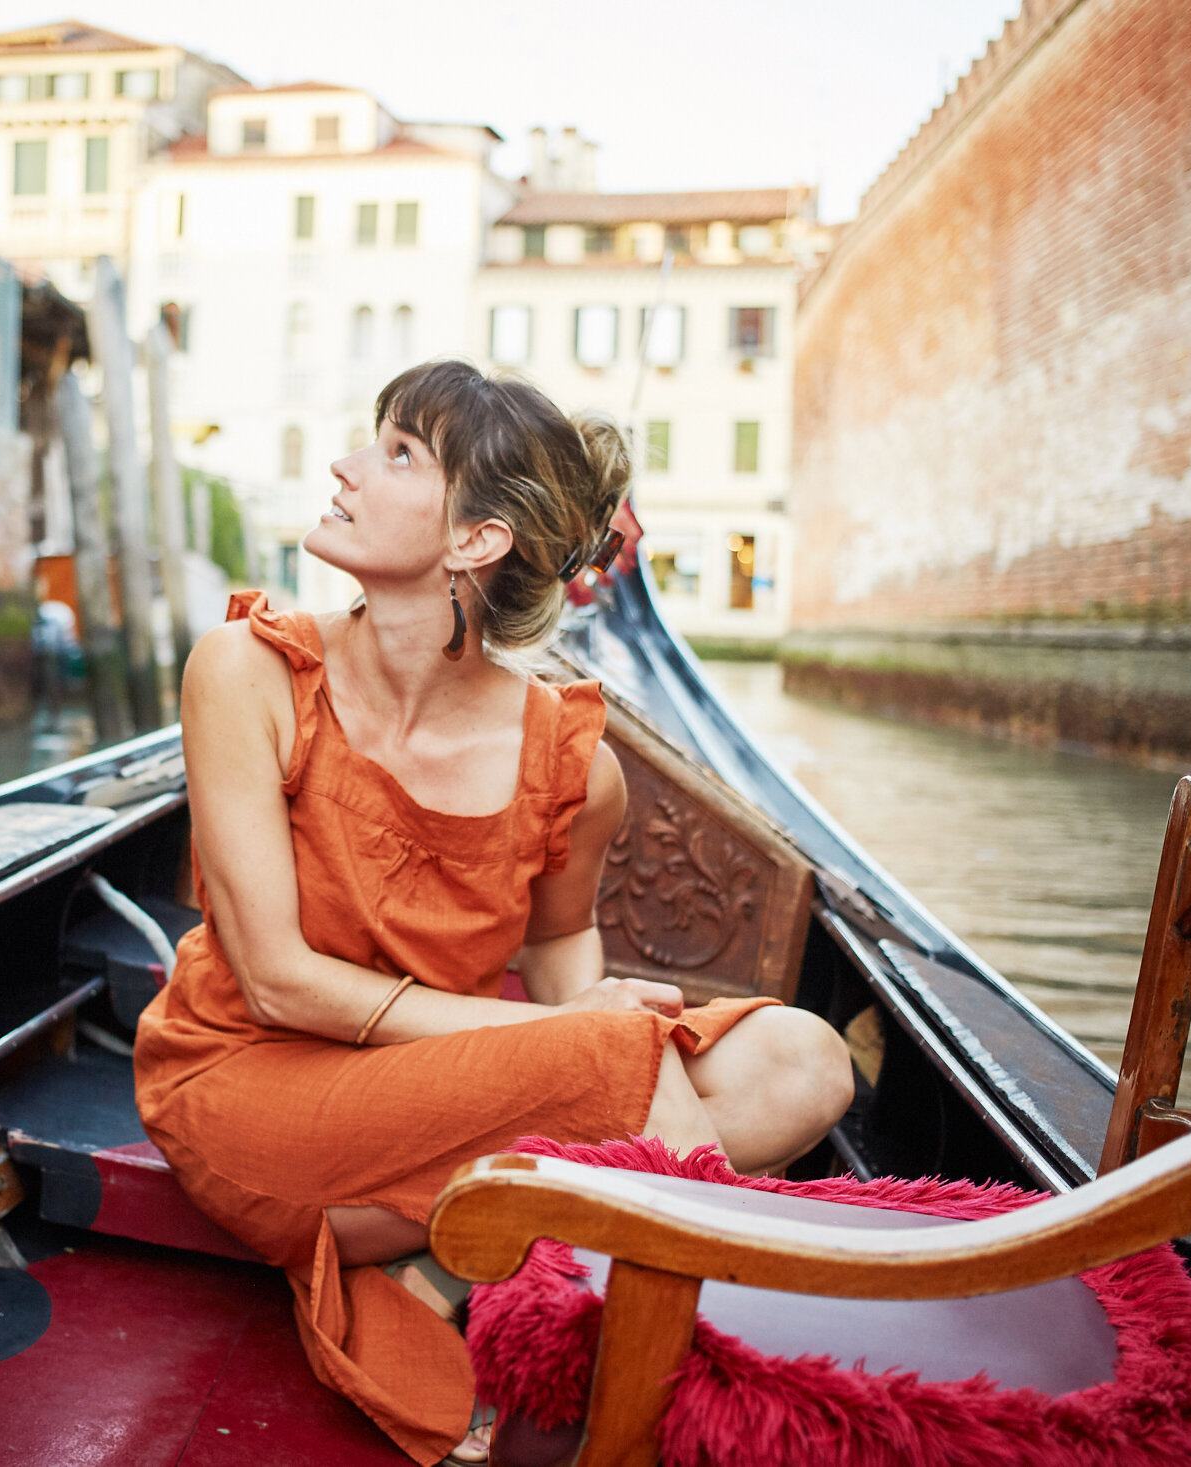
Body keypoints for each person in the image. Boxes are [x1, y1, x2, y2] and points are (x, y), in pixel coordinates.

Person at [133, 360, 855, 1465]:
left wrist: (584, 1031)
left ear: (474, 542)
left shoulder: (572, 763)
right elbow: (278, 979)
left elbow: (561, 943)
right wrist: (573, 1041)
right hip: (248, 1076)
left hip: (432, 1095)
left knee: (802, 1062)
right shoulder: (248, 672)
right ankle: (715, 1375)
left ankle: (438, 1249)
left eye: (398, 453)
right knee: (608, 1059)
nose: (345, 466)